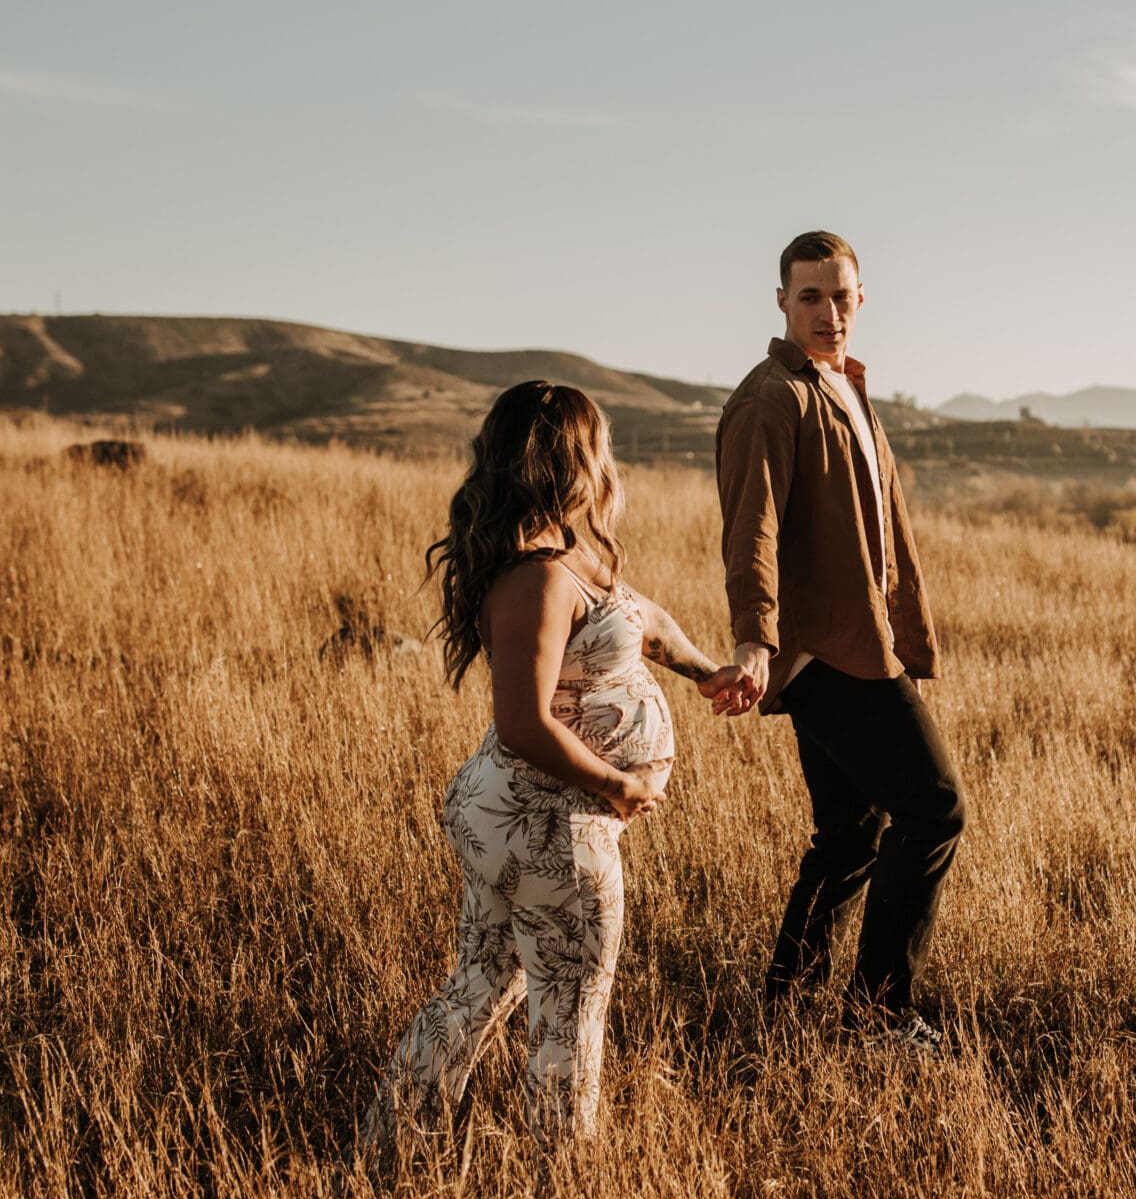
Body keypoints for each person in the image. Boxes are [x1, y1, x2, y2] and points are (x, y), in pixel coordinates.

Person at [361, 380, 741, 1147]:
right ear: (573, 460)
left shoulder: (572, 558)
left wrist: (704, 672)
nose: (610, 461)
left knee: (478, 987)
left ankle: (389, 1143)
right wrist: (617, 784)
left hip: (523, 816)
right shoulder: (535, 578)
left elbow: (645, 620)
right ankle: (563, 1188)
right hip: (547, 825)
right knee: (569, 1014)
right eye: (599, 445)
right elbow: (523, 722)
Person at [715, 231, 966, 1050]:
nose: (828, 312)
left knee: (849, 836)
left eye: (841, 296)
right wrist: (755, 638)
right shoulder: (770, 398)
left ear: (862, 299)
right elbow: (749, 524)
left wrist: (904, 637)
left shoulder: (846, 388)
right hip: (825, 650)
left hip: (863, 639)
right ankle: (877, 1018)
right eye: (810, 297)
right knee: (933, 810)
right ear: (781, 302)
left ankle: (782, 1013)